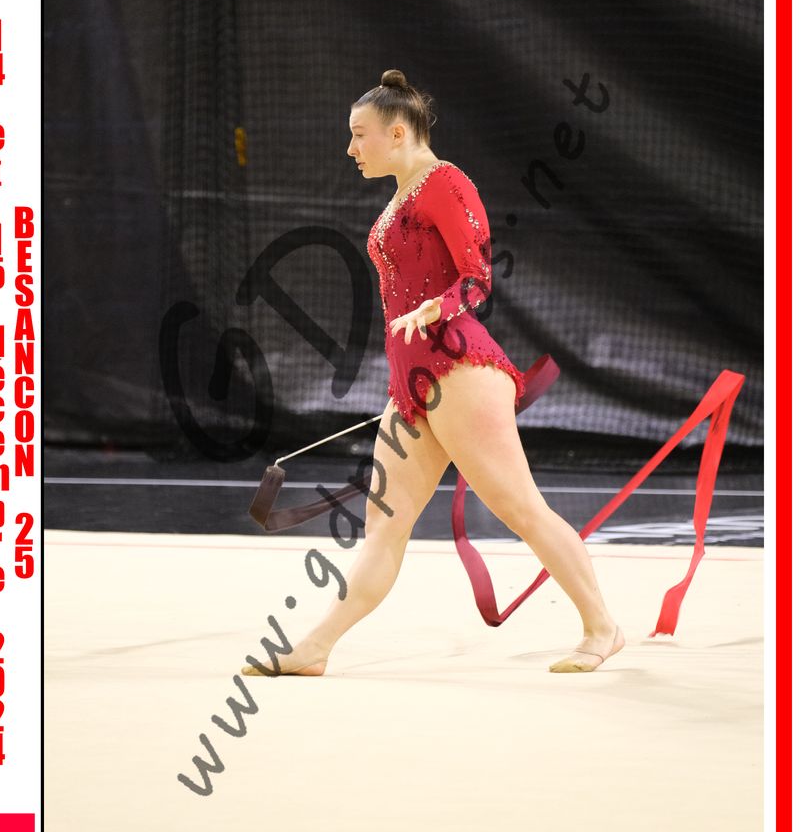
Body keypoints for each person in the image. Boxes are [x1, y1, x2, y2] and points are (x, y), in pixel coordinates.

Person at [242, 69, 623, 677]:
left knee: (520, 508)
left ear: (397, 133)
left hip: (460, 368)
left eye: (358, 134)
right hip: (413, 385)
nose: (350, 148)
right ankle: (314, 648)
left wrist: (437, 307)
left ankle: (603, 627)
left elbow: (477, 278)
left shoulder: (445, 183)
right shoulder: (401, 195)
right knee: (382, 528)